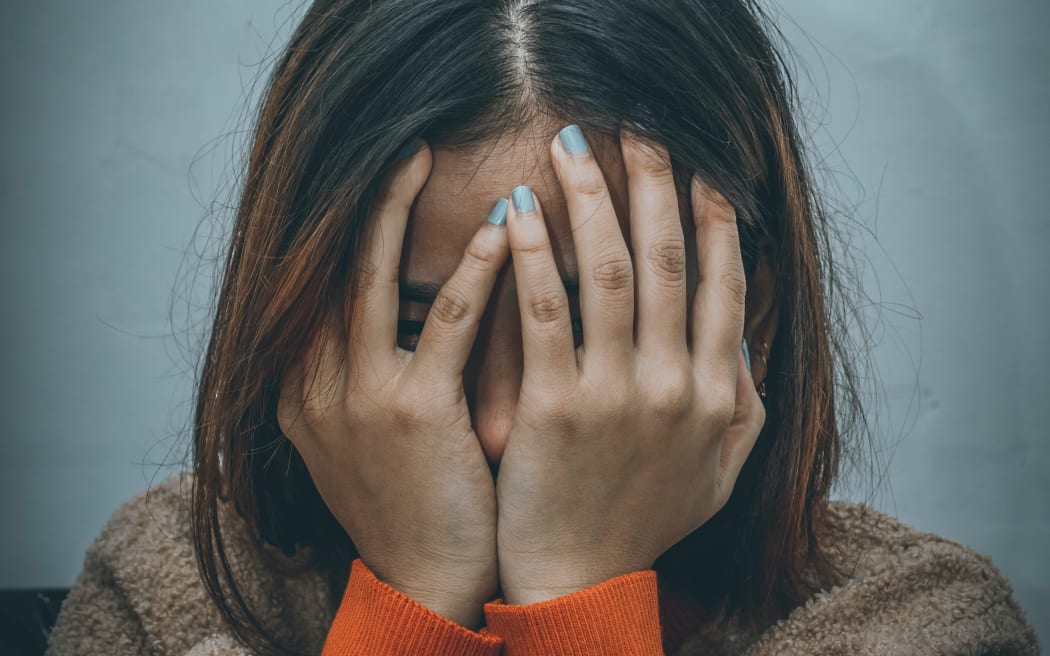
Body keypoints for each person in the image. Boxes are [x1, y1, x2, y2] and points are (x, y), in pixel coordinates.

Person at [46, 0, 1039, 654]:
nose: (495, 425)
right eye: (419, 324)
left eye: (591, 329)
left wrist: (578, 592)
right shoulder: (165, 590)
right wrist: (416, 598)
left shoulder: (919, 622)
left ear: (752, 307)